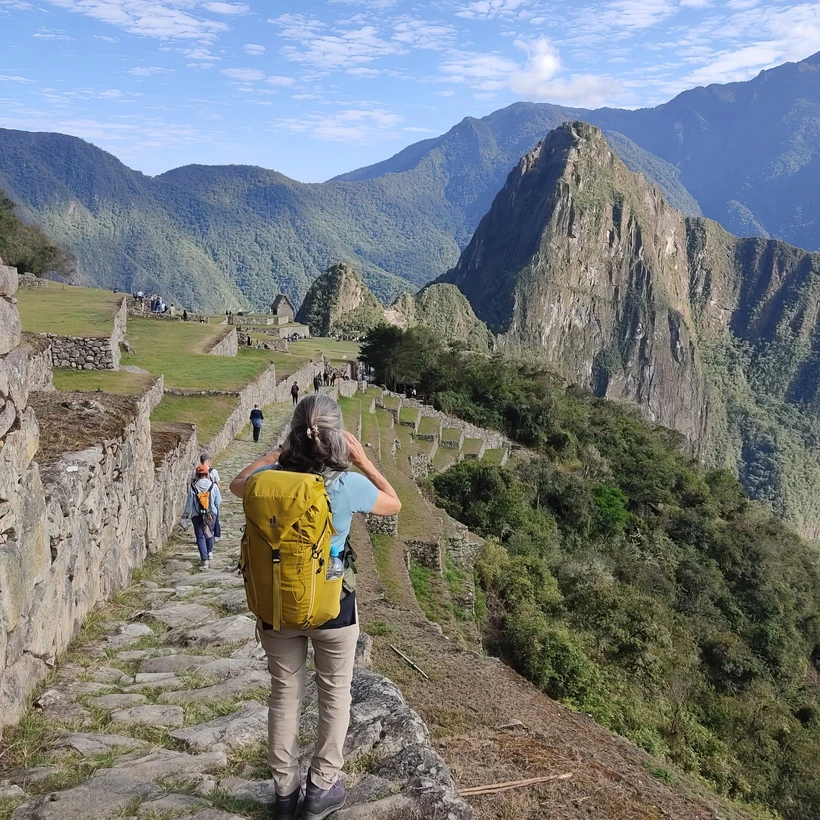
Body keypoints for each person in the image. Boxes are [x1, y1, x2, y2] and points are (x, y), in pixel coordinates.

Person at [229, 394, 401, 820]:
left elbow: (236, 484)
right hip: (332, 607)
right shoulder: (346, 484)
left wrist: (274, 454)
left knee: (284, 695)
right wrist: (363, 461)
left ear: (294, 435)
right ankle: (322, 787)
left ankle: (284, 792)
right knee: (334, 694)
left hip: (277, 607)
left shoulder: (268, 479)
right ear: (337, 437)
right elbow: (393, 502)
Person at [183, 464, 222, 569]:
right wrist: (214, 510)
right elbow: (218, 501)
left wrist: (185, 516)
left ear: (197, 474)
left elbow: (189, 503)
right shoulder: (213, 486)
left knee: (200, 536)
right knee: (209, 533)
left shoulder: (193, 487)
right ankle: (209, 552)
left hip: (197, 515)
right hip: (210, 514)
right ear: (207, 474)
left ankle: (204, 560)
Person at [192, 453, 222, 541]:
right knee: (213, 514)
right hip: (211, 497)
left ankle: (203, 536)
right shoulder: (213, 471)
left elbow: (192, 484)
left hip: (199, 497)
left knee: (201, 516)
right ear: (208, 461)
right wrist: (218, 493)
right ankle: (215, 534)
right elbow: (217, 484)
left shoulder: (195, 471)